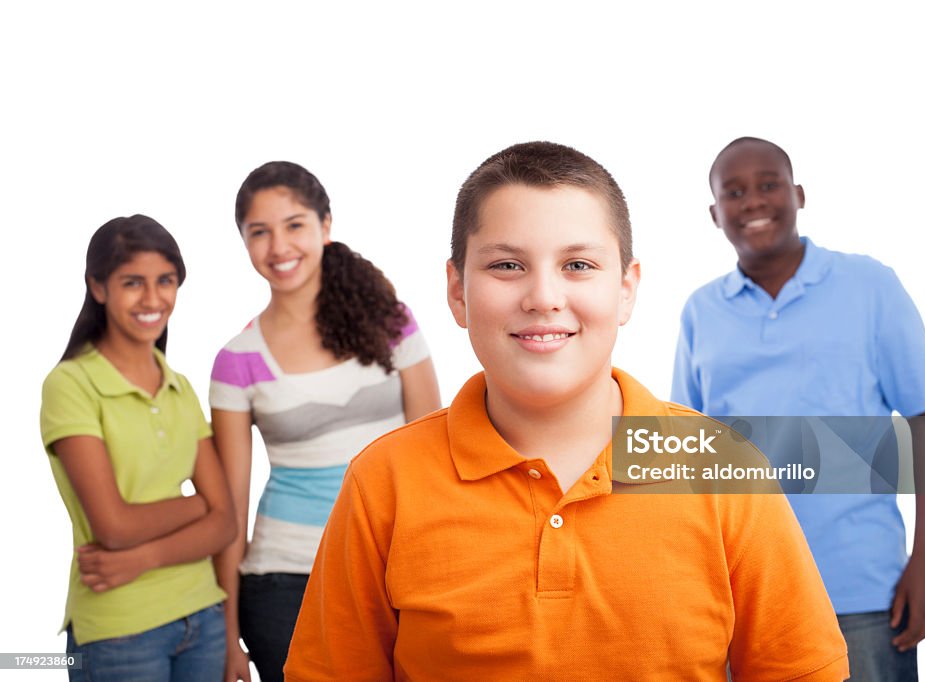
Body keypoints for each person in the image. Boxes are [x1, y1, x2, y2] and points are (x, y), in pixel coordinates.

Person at [284, 141, 850, 680]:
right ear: (457, 292)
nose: (543, 296)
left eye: (578, 265)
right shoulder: (383, 483)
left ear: (626, 290)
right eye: (506, 266)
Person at [672, 136, 925, 681]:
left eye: (769, 184)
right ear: (714, 213)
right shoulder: (701, 312)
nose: (753, 201)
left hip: (862, 590)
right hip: (742, 594)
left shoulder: (869, 286)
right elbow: (688, 458)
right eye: (734, 191)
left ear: (798, 194)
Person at [210, 161, 441, 682]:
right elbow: (231, 508)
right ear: (244, 242)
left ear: (325, 226)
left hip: (392, 566)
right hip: (284, 580)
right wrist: (228, 639)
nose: (279, 246)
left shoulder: (391, 321)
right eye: (259, 232)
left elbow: (433, 445)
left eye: (294, 225)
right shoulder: (236, 360)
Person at [40, 215, 236, 681]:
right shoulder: (70, 385)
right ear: (99, 287)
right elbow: (113, 527)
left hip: (203, 617)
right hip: (119, 628)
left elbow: (226, 522)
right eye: (133, 283)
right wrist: (197, 505)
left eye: (165, 281)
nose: (153, 299)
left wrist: (140, 558)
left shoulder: (179, 386)